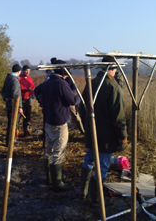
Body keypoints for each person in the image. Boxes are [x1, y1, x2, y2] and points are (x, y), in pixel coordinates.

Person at [79, 56, 128, 207]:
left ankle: (83, 192)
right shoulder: (113, 88)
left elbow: (82, 108)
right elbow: (119, 117)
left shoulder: (91, 83)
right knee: (102, 167)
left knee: (89, 160)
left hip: (92, 133)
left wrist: (87, 127)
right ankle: (96, 199)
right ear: (113, 68)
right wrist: (123, 138)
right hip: (107, 137)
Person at [34, 59, 80, 192]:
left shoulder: (48, 81)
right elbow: (72, 100)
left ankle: (50, 177)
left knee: (49, 150)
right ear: (65, 72)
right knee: (58, 152)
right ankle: (58, 183)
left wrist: (43, 102)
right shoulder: (62, 83)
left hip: (48, 120)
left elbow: (37, 91)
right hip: (60, 122)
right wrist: (78, 97)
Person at [1, 64, 24, 147]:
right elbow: (16, 95)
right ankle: (10, 143)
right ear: (19, 71)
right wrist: (20, 107)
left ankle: (12, 139)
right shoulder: (14, 80)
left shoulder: (8, 78)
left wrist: (5, 97)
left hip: (9, 104)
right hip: (13, 106)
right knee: (12, 124)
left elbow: (3, 91)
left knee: (12, 123)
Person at [19, 65, 35, 137]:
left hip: (28, 100)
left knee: (27, 116)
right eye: (26, 71)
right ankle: (16, 132)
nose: (27, 72)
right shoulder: (19, 78)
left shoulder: (30, 79)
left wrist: (33, 94)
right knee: (19, 116)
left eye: (29, 71)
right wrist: (26, 90)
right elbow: (17, 90)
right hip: (20, 100)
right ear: (23, 71)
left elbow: (32, 88)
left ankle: (26, 131)